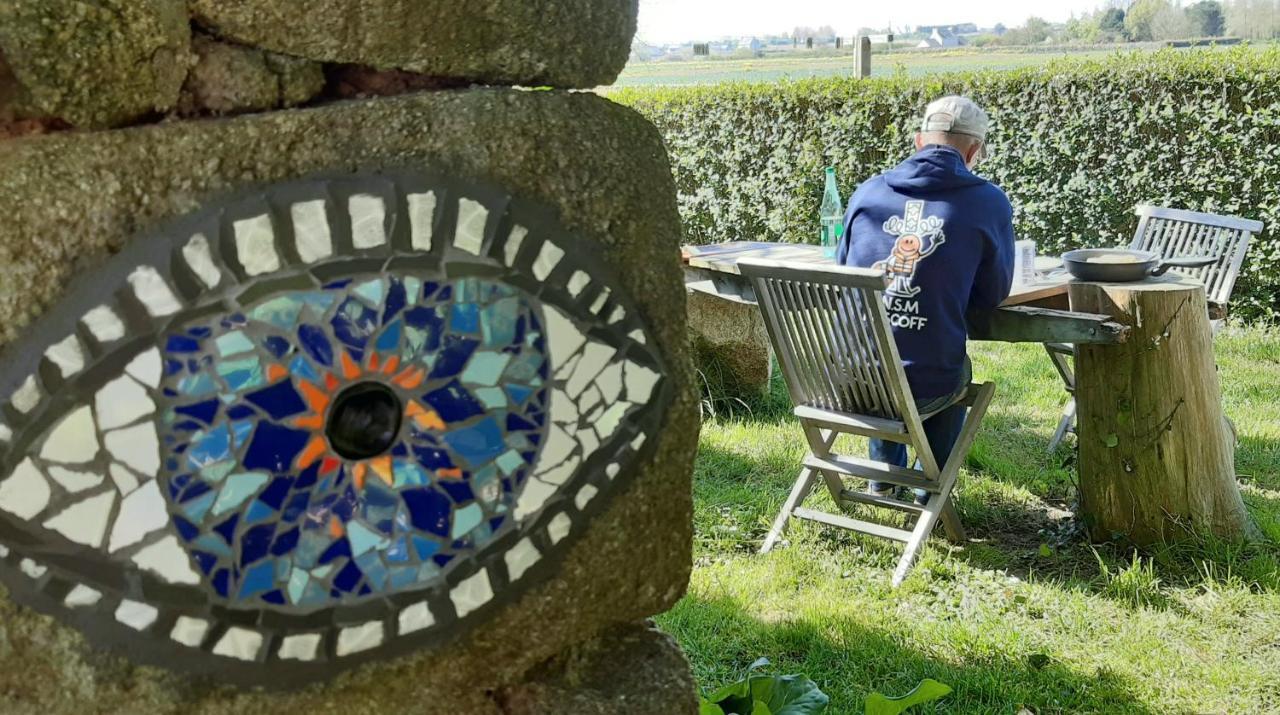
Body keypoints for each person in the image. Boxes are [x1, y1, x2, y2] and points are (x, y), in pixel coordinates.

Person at [835, 96, 1015, 504]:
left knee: (885, 352)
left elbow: (844, 269)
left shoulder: (867, 193)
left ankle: (884, 474)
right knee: (945, 366)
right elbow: (991, 296)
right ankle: (927, 487)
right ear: (975, 151)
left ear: (919, 141)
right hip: (918, 385)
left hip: (845, 381)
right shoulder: (987, 202)